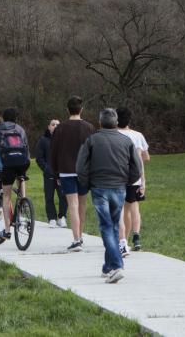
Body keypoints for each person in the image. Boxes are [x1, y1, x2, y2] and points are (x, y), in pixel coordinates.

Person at [76, 108, 141, 284]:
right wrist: (128, 181)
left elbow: (81, 167)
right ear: (116, 121)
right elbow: (137, 168)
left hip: (99, 188)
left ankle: (117, 265)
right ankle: (108, 266)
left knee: (106, 226)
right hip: (119, 187)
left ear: (100, 122)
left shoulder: (92, 140)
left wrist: (87, 183)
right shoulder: (126, 141)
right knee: (112, 226)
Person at [50, 96, 95, 252]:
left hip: (66, 171)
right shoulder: (89, 128)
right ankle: (80, 237)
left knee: (73, 205)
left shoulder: (60, 129)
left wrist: (55, 173)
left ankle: (76, 240)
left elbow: (53, 153)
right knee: (82, 205)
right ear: (81, 110)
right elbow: (93, 152)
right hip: (84, 172)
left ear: (67, 110)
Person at [0, 107, 30, 241]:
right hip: (23, 163)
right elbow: (26, 147)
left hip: (8, 165)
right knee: (21, 178)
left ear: (3, 118)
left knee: (6, 196)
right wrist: (25, 163)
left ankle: (7, 231)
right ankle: (24, 201)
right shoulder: (20, 129)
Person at [116, 107, 150, 255]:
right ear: (130, 120)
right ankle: (136, 237)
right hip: (135, 177)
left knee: (121, 210)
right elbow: (146, 157)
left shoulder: (114, 135)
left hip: (118, 176)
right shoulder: (138, 135)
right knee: (133, 207)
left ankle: (123, 240)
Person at [35, 119, 67, 228]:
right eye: (53, 124)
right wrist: (46, 168)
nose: (55, 126)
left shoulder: (64, 140)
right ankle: (52, 218)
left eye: (58, 124)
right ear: (49, 127)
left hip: (61, 174)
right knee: (49, 197)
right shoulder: (43, 140)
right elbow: (39, 158)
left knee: (63, 197)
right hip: (49, 175)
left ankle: (62, 217)